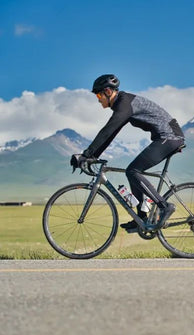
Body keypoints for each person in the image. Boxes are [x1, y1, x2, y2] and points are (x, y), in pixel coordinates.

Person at [74, 74, 185, 231]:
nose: (98, 99)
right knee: (131, 171)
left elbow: (108, 130)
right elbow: (111, 134)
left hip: (170, 137)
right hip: (167, 137)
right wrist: (92, 156)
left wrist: (86, 154)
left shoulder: (125, 104)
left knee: (133, 171)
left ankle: (164, 206)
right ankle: (141, 217)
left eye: (98, 95)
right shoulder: (123, 104)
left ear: (107, 91)